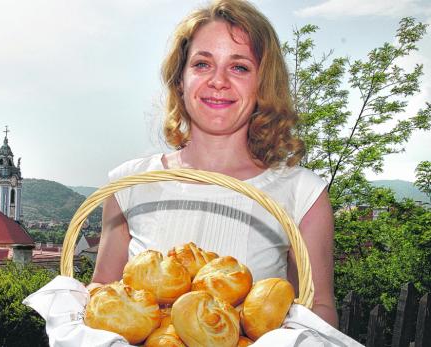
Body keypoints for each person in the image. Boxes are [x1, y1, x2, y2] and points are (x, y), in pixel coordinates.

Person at [90, 0, 338, 327]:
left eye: (239, 67)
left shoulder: (303, 195)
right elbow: (102, 294)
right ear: (180, 79)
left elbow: (318, 308)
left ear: (263, 83)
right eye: (202, 64)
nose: (218, 81)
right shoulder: (129, 185)